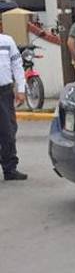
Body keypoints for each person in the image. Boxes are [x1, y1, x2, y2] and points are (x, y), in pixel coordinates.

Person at [0, 29, 27, 181]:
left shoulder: (7, 41)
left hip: (4, 93)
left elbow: (17, 65)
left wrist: (21, 89)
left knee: (9, 130)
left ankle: (9, 168)